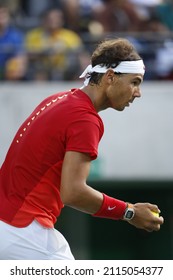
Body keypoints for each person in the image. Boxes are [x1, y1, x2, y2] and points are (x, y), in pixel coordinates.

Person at [0, 38, 164, 260]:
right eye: (135, 82)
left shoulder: (57, 99)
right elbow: (73, 192)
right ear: (110, 77)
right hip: (22, 230)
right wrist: (130, 212)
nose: (138, 92)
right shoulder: (85, 119)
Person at [25, 7, 86, 80]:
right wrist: (45, 52)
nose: (53, 21)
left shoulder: (70, 36)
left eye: (57, 18)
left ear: (62, 20)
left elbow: (81, 55)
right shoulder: (33, 35)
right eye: (50, 18)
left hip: (66, 70)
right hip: (42, 69)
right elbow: (27, 54)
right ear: (44, 20)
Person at [0, 3, 27, 80]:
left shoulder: (16, 36)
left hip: (8, 73)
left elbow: (20, 57)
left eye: (3, 14)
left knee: (16, 65)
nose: (0, 17)